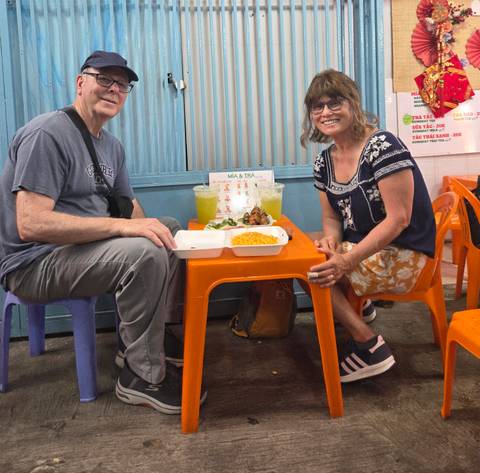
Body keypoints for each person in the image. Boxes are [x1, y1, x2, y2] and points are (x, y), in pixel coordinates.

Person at [0, 50, 206, 413]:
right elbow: (30, 224)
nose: (114, 89)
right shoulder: (47, 134)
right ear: (81, 83)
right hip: (34, 263)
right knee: (143, 252)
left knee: (168, 232)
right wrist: (125, 229)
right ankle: (140, 376)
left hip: (82, 251)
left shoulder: (111, 146)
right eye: (104, 79)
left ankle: (137, 342)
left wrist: (147, 226)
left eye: (122, 84)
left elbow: (127, 206)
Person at [301, 69, 436, 383]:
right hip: (366, 251)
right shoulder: (324, 161)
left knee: (309, 270)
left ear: (353, 104)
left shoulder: (382, 146)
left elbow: (399, 219)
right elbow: (332, 219)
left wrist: (346, 260)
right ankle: (361, 308)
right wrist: (333, 242)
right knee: (311, 253)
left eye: (334, 103)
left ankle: (368, 344)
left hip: (406, 252)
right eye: (317, 107)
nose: (325, 112)